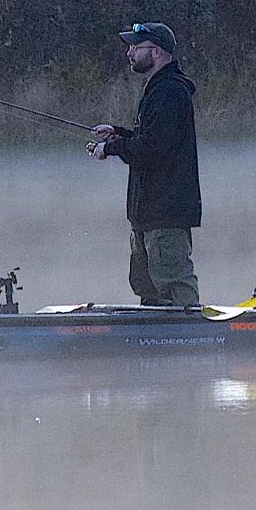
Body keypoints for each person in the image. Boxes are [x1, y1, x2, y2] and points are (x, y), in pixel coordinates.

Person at [88, 22, 202, 309]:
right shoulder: (158, 90)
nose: (129, 53)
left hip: (166, 213)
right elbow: (151, 138)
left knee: (175, 285)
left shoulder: (170, 92)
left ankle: (193, 342)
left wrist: (111, 148)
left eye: (135, 48)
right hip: (147, 215)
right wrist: (119, 133)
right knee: (147, 287)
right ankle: (155, 346)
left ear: (157, 52)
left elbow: (152, 149)